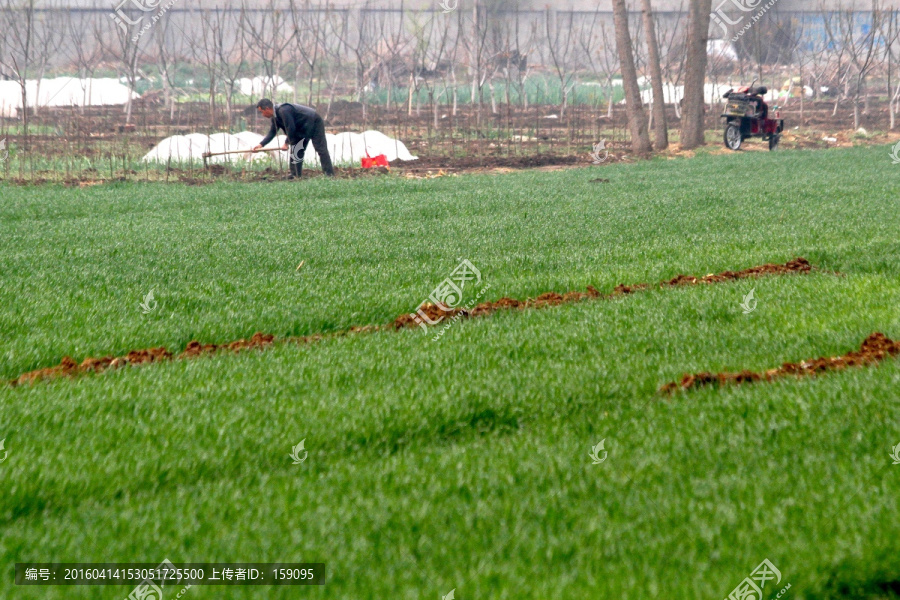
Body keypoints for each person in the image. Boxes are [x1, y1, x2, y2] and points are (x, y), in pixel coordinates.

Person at [252, 99, 335, 179]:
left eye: (261, 112)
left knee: (321, 149)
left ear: (267, 108)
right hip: (302, 126)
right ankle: (295, 174)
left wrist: (286, 143)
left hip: (314, 121)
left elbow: (291, 127)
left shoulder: (283, 111)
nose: (262, 115)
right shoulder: (275, 117)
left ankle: (329, 174)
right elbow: (272, 132)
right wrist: (261, 144)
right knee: (296, 148)